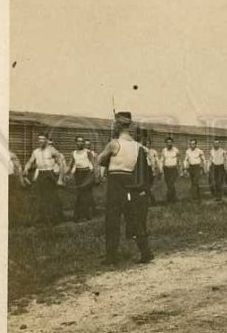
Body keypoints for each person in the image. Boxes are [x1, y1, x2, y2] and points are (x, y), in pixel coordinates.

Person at [96, 111, 154, 265]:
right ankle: (146, 252)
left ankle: (111, 257)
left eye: (114, 124)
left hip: (116, 183)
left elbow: (99, 159)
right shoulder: (137, 145)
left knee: (112, 219)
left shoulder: (114, 143)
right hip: (130, 182)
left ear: (118, 125)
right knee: (133, 218)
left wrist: (108, 153)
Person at [23, 134, 65, 224]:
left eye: (43, 139)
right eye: (39, 139)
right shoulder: (36, 152)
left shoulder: (52, 150)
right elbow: (30, 161)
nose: (40, 141)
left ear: (46, 140)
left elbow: (61, 164)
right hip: (41, 174)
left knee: (51, 197)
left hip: (50, 174)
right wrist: (26, 168)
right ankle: (42, 218)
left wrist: (60, 179)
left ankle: (55, 218)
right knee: (40, 197)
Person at [68, 136, 97, 221]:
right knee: (80, 194)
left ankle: (82, 215)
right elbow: (70, 165)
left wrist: (95, 175)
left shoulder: (88, 152)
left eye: (82, 141)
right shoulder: (73, 153)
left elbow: (93, 164)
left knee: (85, 194)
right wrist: (66, 173)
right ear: (75, 143)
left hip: (87, 173)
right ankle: (82, 215)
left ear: (84, 143)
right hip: (78, 174)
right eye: (78, 141)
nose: (80, 143)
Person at [160, 137, 181, 204]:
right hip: (166, 169)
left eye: (170, 142)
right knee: (169, 184)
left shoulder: (176, 150)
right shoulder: (164, 150)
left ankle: (169, 199)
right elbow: (161, 160)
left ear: (172, 143)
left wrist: (180, 168)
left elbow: (179, 160)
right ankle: (174, 198)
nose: (169, 144)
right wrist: (161, 169)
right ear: (166, 143)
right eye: (168, 142)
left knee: (171, 183)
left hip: (174, 169)